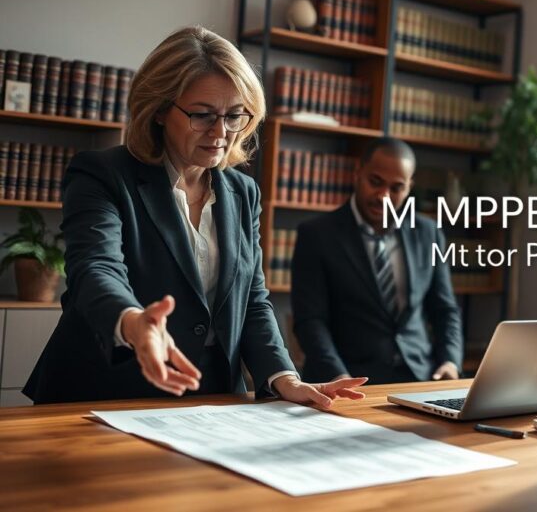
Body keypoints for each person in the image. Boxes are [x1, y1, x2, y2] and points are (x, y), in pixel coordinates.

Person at [24, 26, 367, 408]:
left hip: (212, 397)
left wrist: (284, 377)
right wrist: (134, 322)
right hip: (103, 391)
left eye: (235, 115)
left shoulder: (242, 191)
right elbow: (96, 269)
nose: (221, 132)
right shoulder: (102, 173)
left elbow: (252, 299)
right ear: (158, 110)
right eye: (203, 115)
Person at [291, 137, 463, 384]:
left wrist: (450, 361)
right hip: (348, 379)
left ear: (408, 187)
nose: (383, 195)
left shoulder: (428, 233)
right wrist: (338, 377)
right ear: (358, 173)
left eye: (396, 188)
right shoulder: (317, 235)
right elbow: (310, 321)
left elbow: (445, 309)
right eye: (376, 182)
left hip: (419, 378)